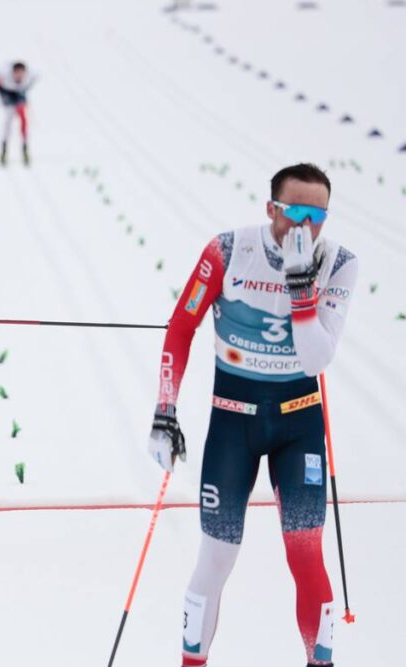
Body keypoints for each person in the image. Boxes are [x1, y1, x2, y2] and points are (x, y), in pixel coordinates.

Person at [147, 163, 358, 667]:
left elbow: (315, 359)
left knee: (305, 555)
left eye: (318, 216)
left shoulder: (340, 263)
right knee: (216, 559)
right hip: (233, 425)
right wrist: (164, 411)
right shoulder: (227, 251)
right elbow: (181, 328)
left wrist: (301, 289)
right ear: (271, 209)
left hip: (299, 425)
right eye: (295, 213)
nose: (305, 228)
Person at [0, 61, 37, 166]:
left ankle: (24, 147)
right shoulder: (5, 77)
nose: (19, 76)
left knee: (23, 119)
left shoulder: (29, 77)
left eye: (21, 73)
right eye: (17, 73)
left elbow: (37, 75)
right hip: (8, 99)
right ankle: (4, 149)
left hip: (19, 97)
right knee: (7, 124)